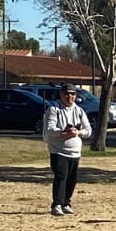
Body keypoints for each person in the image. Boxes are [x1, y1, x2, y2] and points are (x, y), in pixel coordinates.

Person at [42, 83, 91, 216]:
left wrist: (77, 132)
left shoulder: (79, 111)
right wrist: (64, 133)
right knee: (61, 176)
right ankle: (56, 204)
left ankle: (66, 203)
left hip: (75, 152)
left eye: (72, 94)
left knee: (71, 179)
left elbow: (88, 130)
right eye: (66, 93)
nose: (69, 96)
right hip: (58, 150)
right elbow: (50, 130)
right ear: (61, 95)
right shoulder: (54, 109)